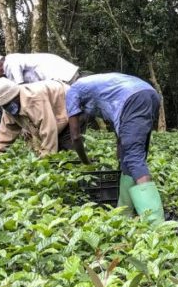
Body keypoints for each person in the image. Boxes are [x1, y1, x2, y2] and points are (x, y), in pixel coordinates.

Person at [66, 73, 164, 223]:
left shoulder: (72, 91)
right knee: (129, 158)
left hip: (134, 99)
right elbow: (119, 121)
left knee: (133, 158)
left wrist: (86, 162)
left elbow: (75, 136)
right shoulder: (101, 87)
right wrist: (120, 150)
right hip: (149, 94)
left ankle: (156, 224)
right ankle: (124, 214)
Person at [0, 77, 73, 159]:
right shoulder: (8, 108)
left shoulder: (34, 99)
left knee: (66, 152)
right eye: (5, 105)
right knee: (50, 149)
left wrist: (46, 155)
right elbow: (7, 130)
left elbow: (48, 128)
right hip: (50, 108)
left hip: (67, 102)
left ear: (17, 96)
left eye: (9, 103)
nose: (9, 107)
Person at [0, 52, 80, 85]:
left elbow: (20, 87)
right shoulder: (12, 59)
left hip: (63, 76)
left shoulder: (11, 62)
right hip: (65, 74)